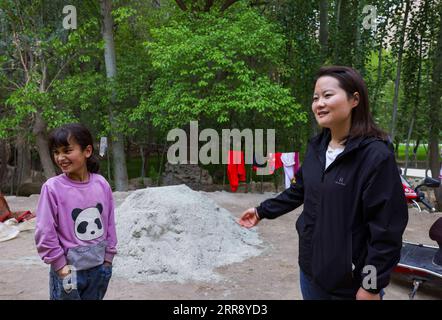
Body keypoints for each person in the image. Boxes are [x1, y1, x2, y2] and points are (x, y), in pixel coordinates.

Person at [238, 66, 409, 300]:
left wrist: (370, 286)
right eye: (315, 98)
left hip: (350, 284)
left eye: (328, 95)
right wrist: (261, 211)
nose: (319, 103)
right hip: (310, 272)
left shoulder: (375, 157)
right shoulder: (317, 148)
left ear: (354, 99)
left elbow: (386, 230)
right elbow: (300, 189)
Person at [35, 123, 117, 300]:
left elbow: (109, 222)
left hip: (99, 269)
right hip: (68, 272)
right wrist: (61, 268)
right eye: (56, 152)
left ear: (87, 151)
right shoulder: (52, 188)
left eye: (67, 150)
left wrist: (108, 259)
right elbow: (45, 230)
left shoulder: (101, 184)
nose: (60, 157)